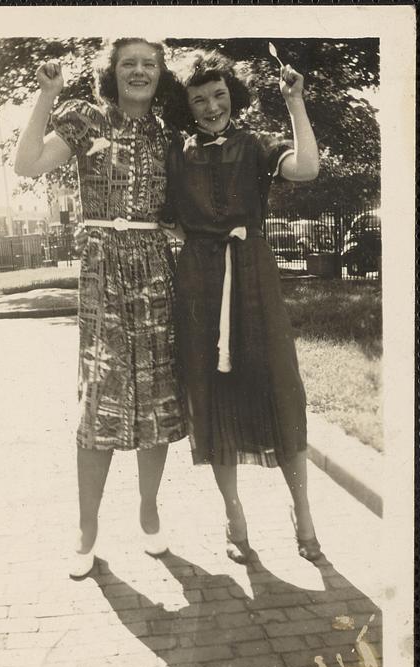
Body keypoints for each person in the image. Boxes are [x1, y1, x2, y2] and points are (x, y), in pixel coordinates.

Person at [15, 39, 187, 578]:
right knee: (101, 398)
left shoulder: (169, 133)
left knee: (157, 395)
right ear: (111, 72)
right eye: (129, 63)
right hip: (103, 269)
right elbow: (27, 164)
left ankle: (149, 510)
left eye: (149, 64)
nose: (139, 71)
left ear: (160, 75)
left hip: (155, 268)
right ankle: (87, 527)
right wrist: (47, 95)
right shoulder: (86, 117)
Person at [161, 51, 321, 564]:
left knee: (279, 384)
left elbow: (307, 168)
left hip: (253, 271)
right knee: (210, 392)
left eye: (219, 95)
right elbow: (162, 216)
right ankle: (234, 516)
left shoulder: (255, 144)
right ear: (187, 108)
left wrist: (295, 102)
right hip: (199, 283)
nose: (211, 107)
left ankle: (303, 511)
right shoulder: (176, 154)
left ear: (234, 96)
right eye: (199, 100)